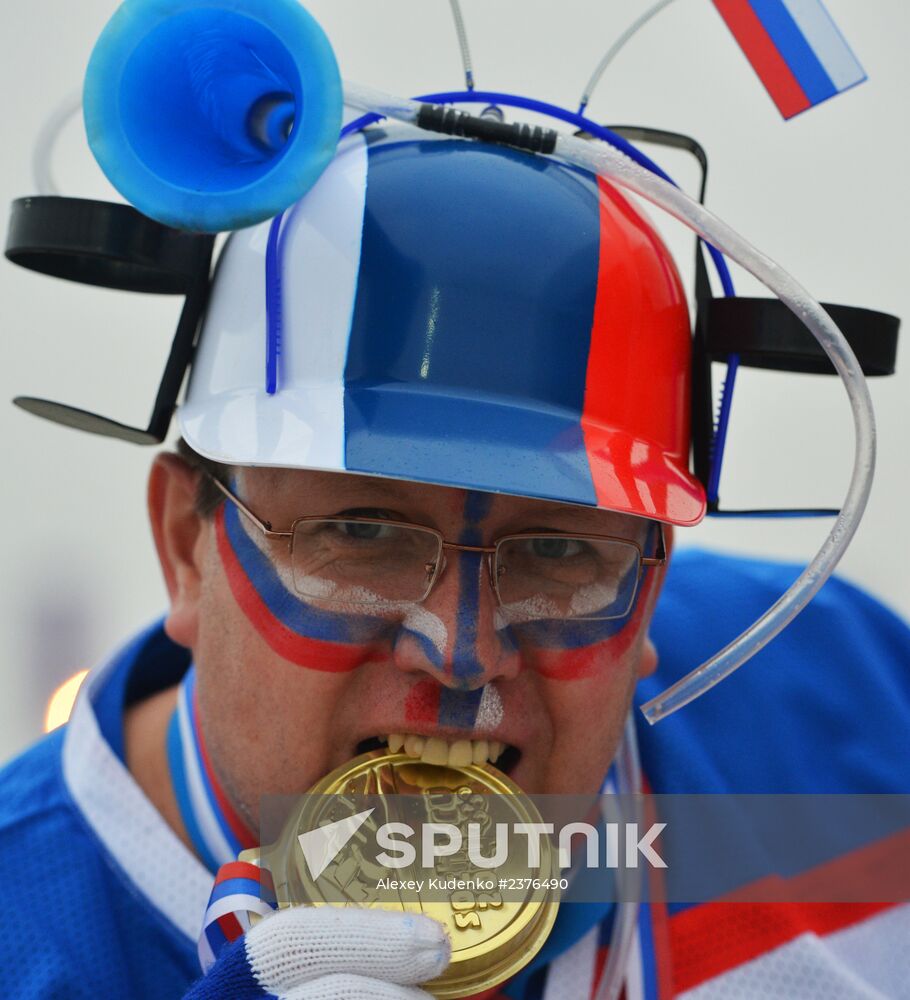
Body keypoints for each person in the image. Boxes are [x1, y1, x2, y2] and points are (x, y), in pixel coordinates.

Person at [0, 125, 907, 1000]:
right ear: (183, 550)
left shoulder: (858, 700)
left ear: (651, 589)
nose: (462, 651)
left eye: (557, 550)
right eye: (363, 532)